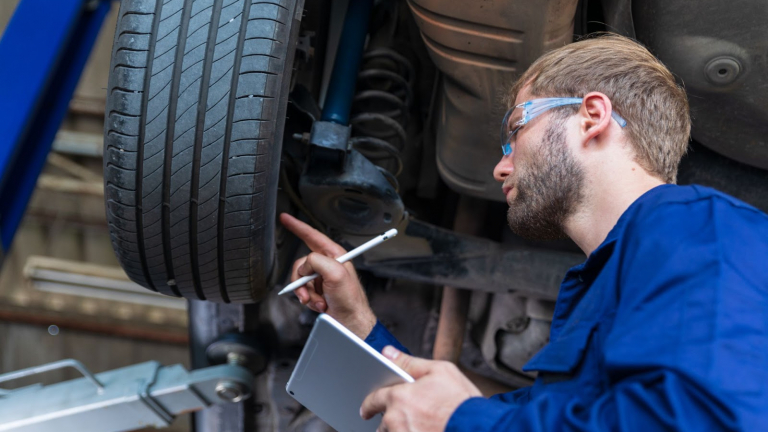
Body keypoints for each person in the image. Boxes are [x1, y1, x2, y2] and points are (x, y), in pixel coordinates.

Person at [279, 34, 768, 431]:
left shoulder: (697, 226)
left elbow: (702, 420)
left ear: (592, 116)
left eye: (515, 129)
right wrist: (358, 322)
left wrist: (466, 421)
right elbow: (500, 419)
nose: (500, 166)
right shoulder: (597, 290)